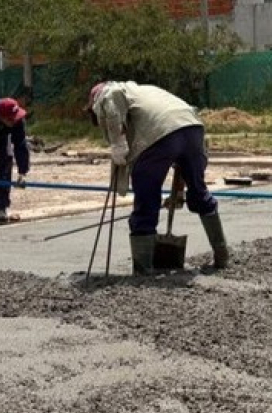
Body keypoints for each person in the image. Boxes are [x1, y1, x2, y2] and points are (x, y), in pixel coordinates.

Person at [86, 81, 229, 274]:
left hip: (163, 134)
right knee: (199, 192)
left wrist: (118, 145)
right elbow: (187, 155)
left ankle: (143, 268)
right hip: (193, 128)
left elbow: (110, 102)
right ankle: (222, 256)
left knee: (146, 193)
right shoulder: (144, 92)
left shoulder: (108, 92)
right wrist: (180, 189)